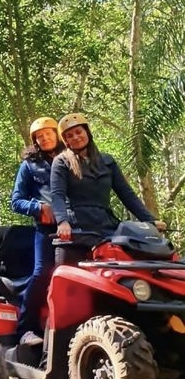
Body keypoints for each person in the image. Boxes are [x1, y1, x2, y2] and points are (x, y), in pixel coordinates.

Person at [51, 112, 166, 267]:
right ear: (66, 141)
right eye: (70, 135)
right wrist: (62, 222)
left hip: (106, 226)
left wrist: (149, 221)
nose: (76, 137)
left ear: (87, 132)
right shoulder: (61, 162)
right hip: (76, 227)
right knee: (66, 277)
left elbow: (126, 194)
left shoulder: (107, 161)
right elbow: (57, 194)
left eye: (79, 132)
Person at [10, 116, 65, 346]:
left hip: (79, 227)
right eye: (39, 137)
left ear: (57, 134)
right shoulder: (29, 166)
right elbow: (16, 201)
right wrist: (39, 207)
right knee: (42, 272)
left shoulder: (71, 159)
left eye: (48, 133)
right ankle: (25, 329)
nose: (44, 139)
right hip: (47, 230)